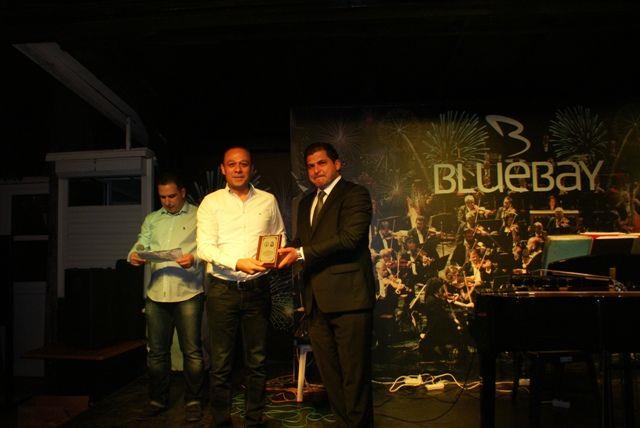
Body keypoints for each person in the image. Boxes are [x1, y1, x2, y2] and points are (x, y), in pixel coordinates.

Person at [278, 142, 376, 427]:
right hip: (316, 302)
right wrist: (281, 253)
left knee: (354, 376)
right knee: (330, 376)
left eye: (322, 163)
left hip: (350, 300)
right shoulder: (305, 202)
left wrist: (300, 253)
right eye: (310, 166)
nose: (316, 170)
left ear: (337, 164)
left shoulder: (355, 194)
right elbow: (302, 243)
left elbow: (349, 239)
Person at [197, 147, 286, 427]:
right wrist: (237, 262)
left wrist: (276, 255)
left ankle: (254, 419)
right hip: (222, 289)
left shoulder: (268, 201)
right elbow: (204, 248)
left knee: (257, 361)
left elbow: (279, 235)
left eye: (244, 164)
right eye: (232, 164)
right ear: (223, 169)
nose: (238, 169)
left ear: (251, 168)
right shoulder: (211, 202)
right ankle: (221, 421)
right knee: (221, 363)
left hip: (257, 288)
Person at [128, 172, 205, 422]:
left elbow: (207, 247)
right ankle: (157, 399)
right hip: (157, 293)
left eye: (172, 196)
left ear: (182, 192)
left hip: (188, 292)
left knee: (192, 352)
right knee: (157, 352)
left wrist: (195, 258)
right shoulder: (153, 219)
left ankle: (193, 400)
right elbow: (141, 243)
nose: (167, 201)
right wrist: (136, 254)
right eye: (162, 197)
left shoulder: (199, 215)